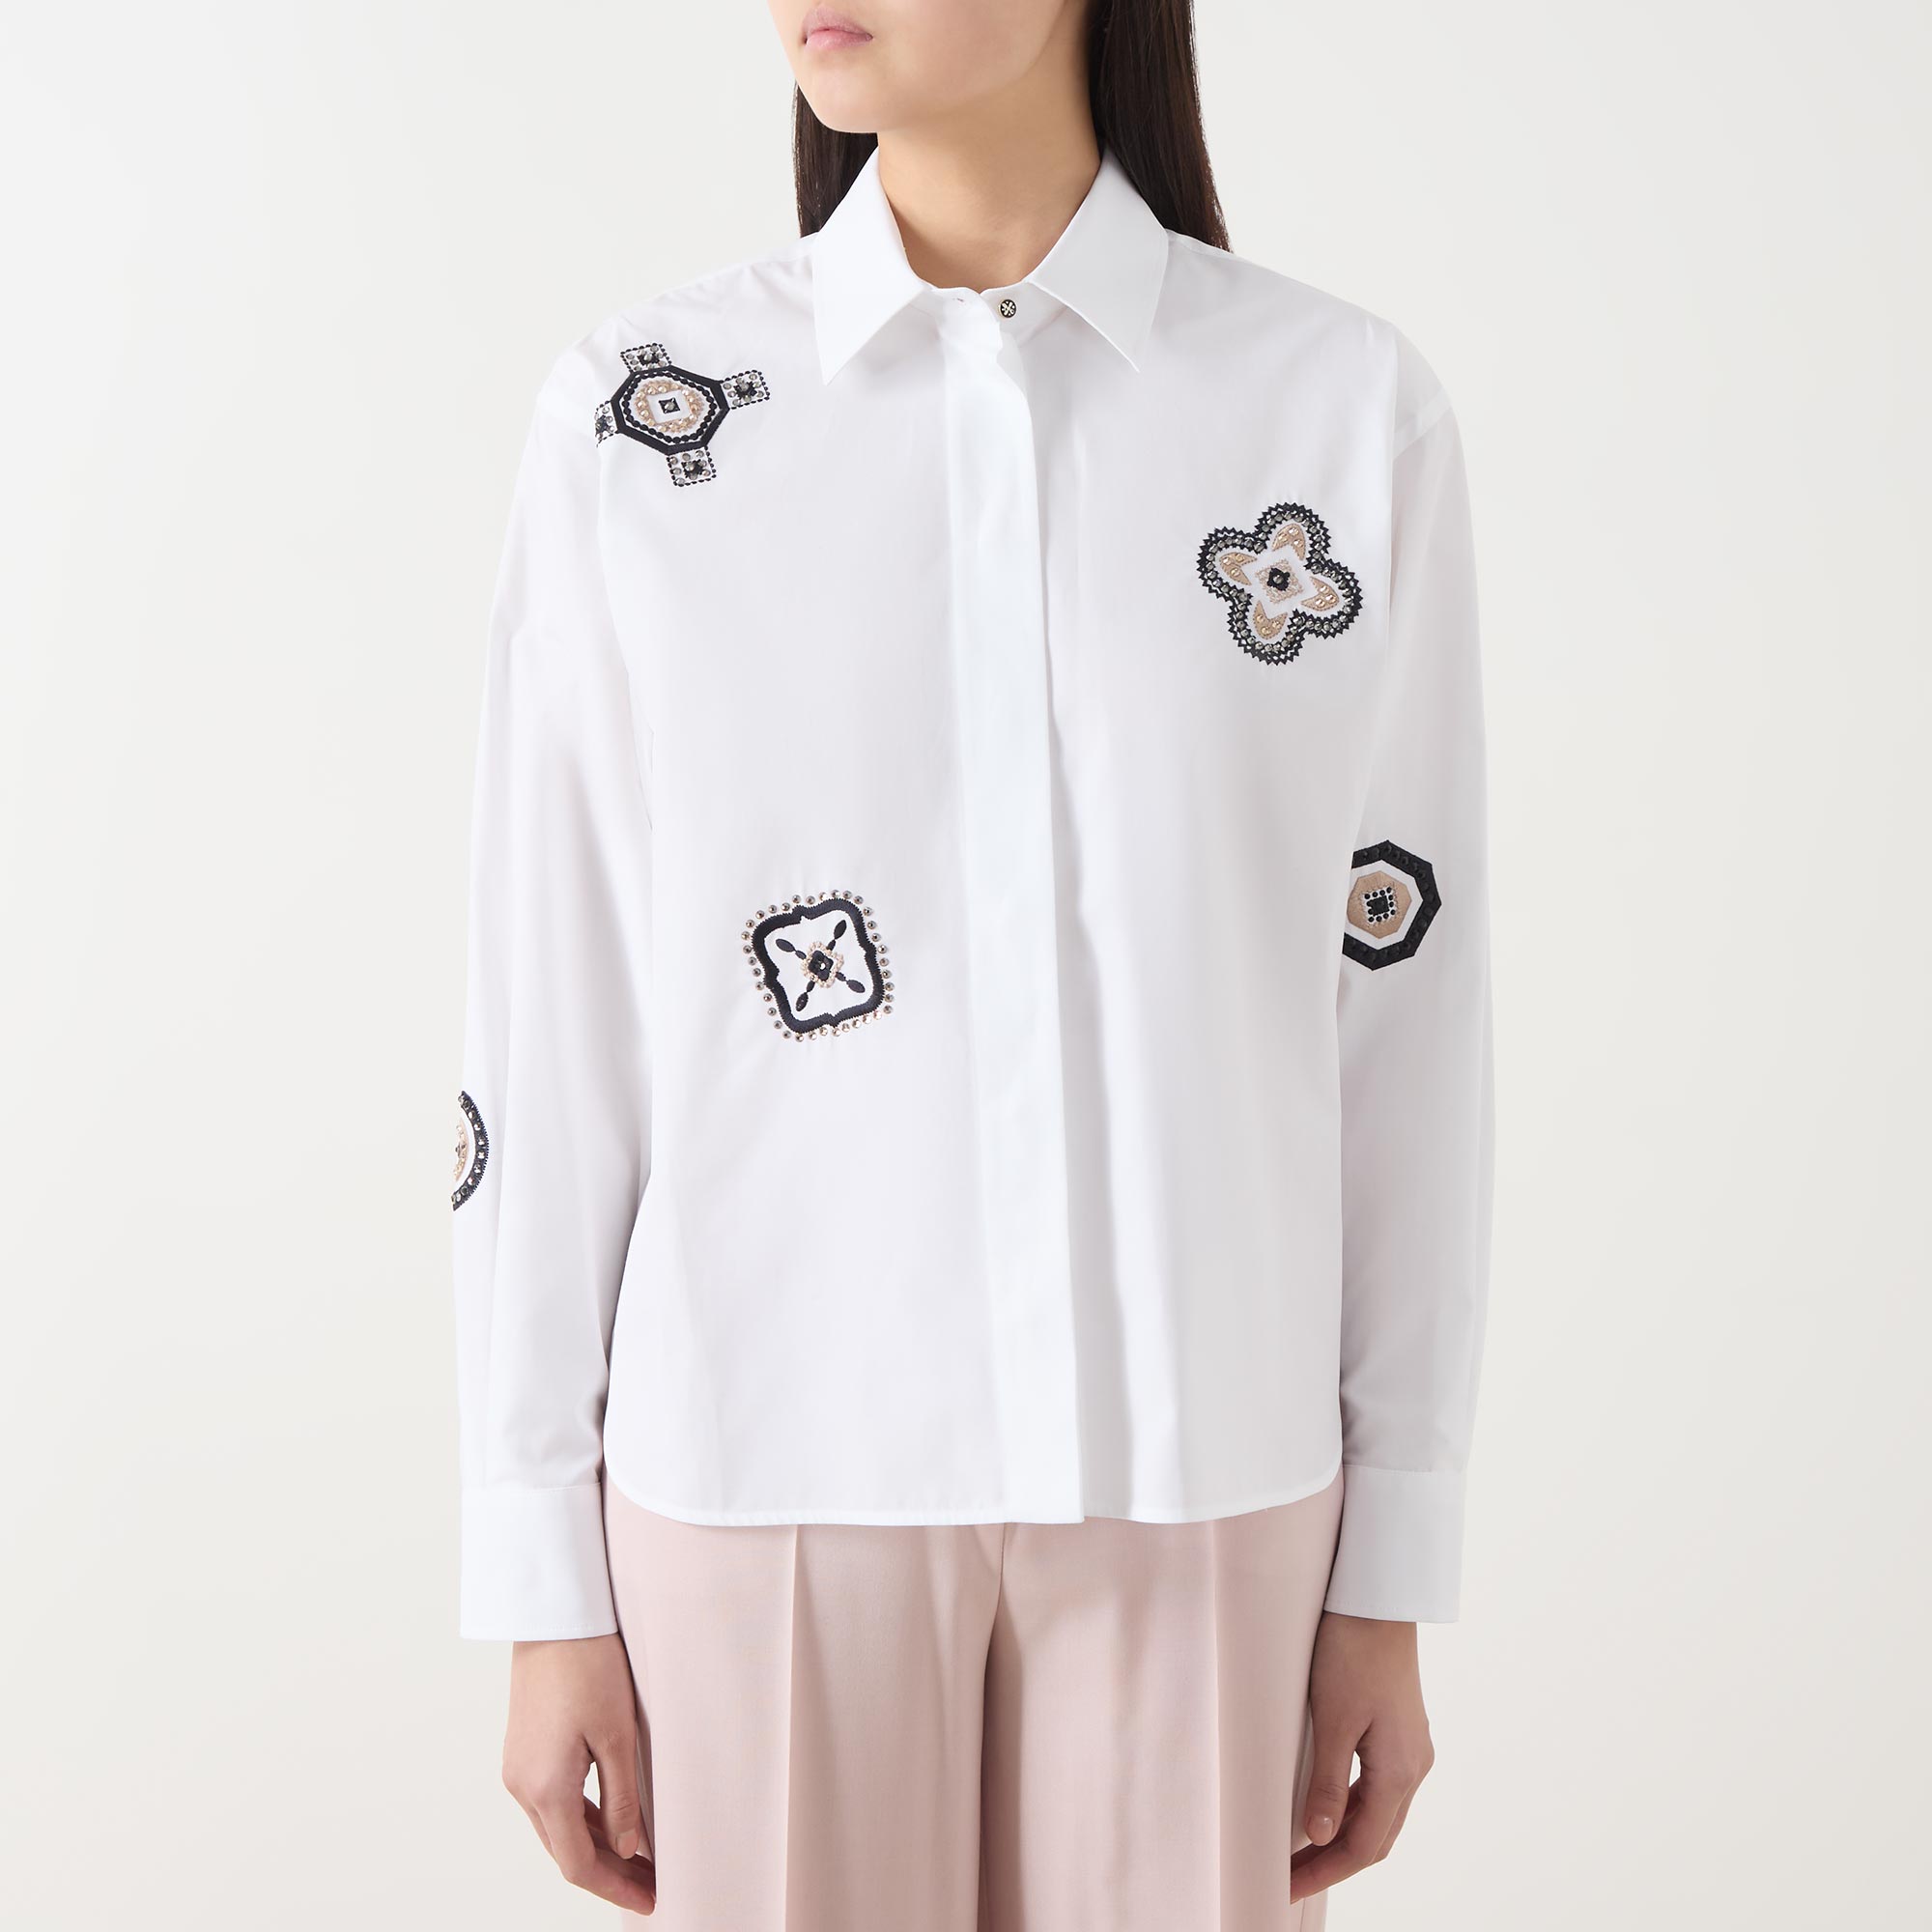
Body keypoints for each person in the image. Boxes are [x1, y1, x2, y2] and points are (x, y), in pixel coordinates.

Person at [452, 0, 1492, 1923]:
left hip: (1206, 1470)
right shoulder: (642, 418)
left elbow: (1403, 1021)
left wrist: (1393, 1551)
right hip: (763, 1465)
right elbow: (552, 1012)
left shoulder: (1339, 416)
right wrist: (537, 1567)